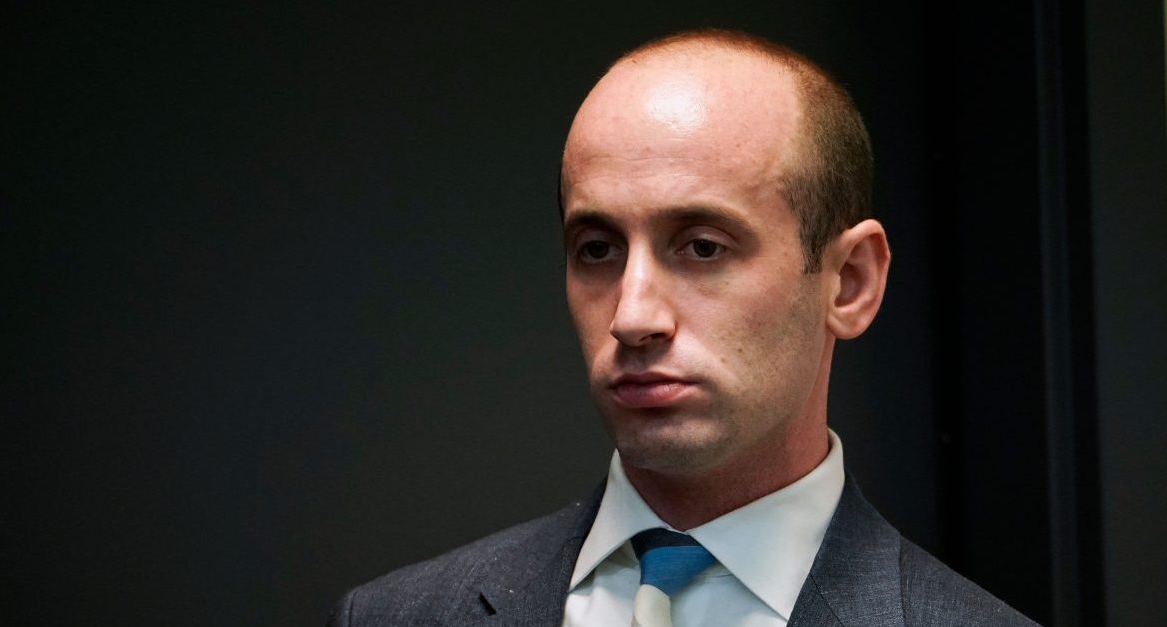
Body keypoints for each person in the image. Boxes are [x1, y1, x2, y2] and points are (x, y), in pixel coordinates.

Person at [328, 29, 1037, 626]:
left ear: (849, 282)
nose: (632, 317)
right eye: (597, 249)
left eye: (702, 246)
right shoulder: (395, 614)